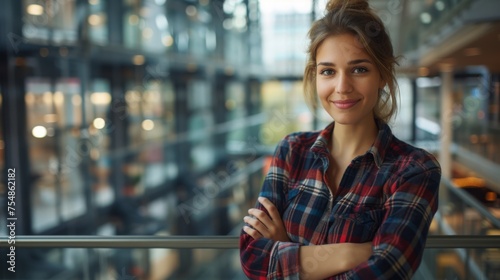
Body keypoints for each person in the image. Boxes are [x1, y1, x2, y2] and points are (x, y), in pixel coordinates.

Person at [239, 0, 441, 279]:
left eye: (359, 69)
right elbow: (253, 257)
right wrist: (351, 253)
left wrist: (286, 248)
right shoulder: (292, 150)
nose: (342, 87)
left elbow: (386, 271)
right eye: (328, 71)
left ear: (382, 75)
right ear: (316, 76)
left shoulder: (415, 169)